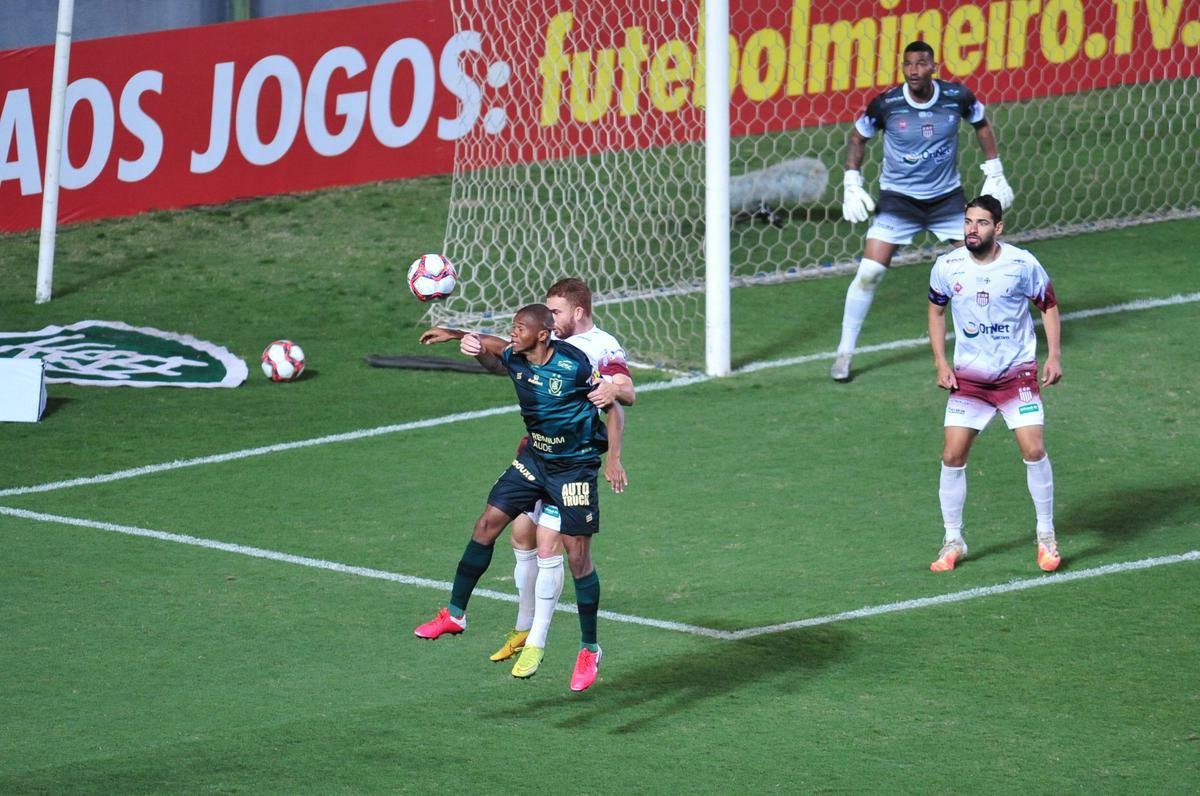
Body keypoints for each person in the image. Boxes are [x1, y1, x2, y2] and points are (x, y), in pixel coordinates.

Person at [412, 303, 619, 691]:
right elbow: (494, 353)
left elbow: (615, 409)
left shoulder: (574, 366)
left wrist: (614, 459)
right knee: (486, 525)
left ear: (543, 335)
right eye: (512, 327)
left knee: (577, 558)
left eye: (520, 328)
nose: (512, 332)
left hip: (574, 468)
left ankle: (589, 648)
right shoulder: (517, 354)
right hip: (535, 460)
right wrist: (460, 337)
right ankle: (456, 613)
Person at [833, 39, 1014, 382]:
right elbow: (858, 137)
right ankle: (844, 353)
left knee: (978, 269)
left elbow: (982, 124)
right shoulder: (887, 104)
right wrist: (851, 182)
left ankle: (989, 347)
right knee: (869, 272)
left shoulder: (956, 97)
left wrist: (995, 171)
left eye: (921, 64)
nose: (914, 71)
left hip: (946, 199)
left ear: (933, 67)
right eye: (908, 65)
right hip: (899, 201)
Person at [927, 194, 1062, 573]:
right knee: (952, 455)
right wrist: (940, 361)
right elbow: (936, 311)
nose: (972, 229)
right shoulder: (947, 266)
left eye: (981, 222)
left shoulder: (1021, 264)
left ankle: (1046, 535)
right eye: (968, 221)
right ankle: (953, 539)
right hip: (970, 378)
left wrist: (1053, 356)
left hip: (1016, 374)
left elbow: (1048, 304)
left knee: (1033, 449)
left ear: (998, 228)